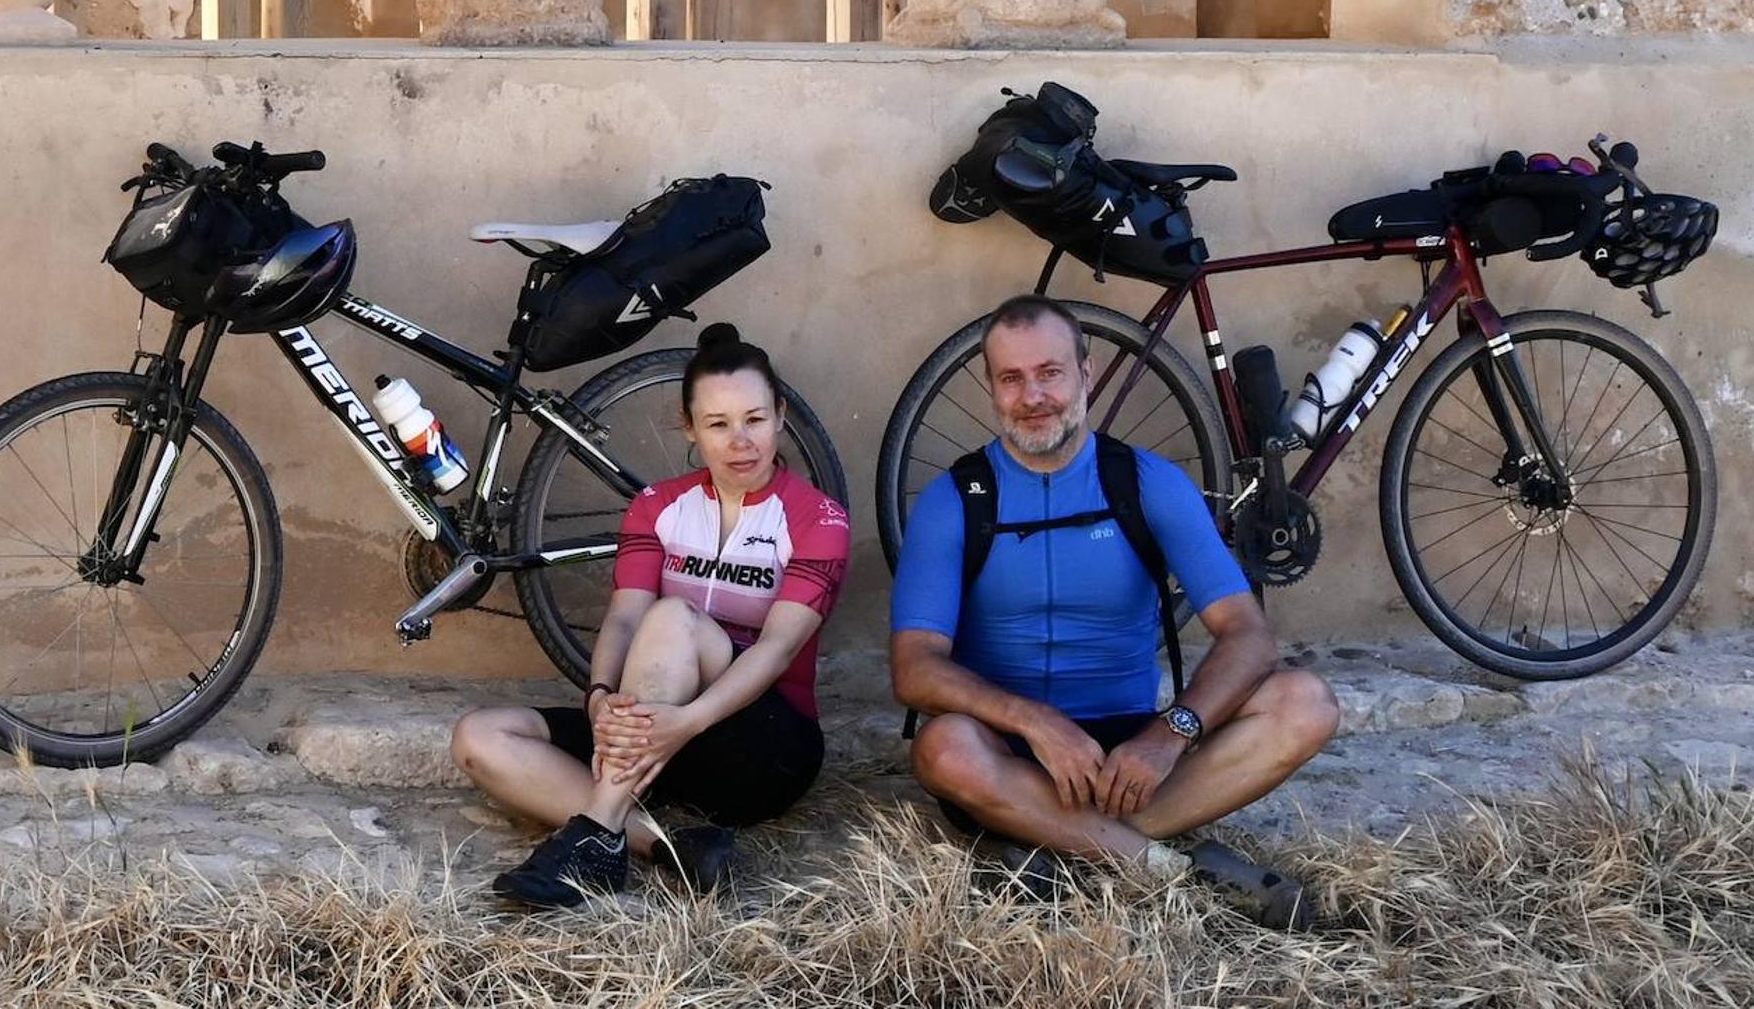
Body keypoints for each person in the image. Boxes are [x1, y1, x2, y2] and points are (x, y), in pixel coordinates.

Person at [889, 295, 1340, 929]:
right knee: (942, 749)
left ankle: (1052, 842)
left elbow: (1248, 634)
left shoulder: (1145, 482)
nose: (1033, 395)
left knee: (1307, 703)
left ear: (1086, 373)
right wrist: (1038, 723)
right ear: (991, 388)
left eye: (1051, 372)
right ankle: (1168, 873)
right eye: (1011, 378)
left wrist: (1171, 733)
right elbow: (914, 670)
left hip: (1135, 752)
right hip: (1009, 752)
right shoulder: (956, 498)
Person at [452, 323, 850, 907]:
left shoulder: (819, 518)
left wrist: (685, 723)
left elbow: (777, 649)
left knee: (673, 618)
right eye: (718, 424)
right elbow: (619, 621)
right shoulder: (658, 506)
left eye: (755, 419)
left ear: (781, 414)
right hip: (656, 738)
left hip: (762, 750)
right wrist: (600, 698)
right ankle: (670, 847)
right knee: (480, 735)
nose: (740, 441)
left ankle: (594, 834)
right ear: (689, 428)